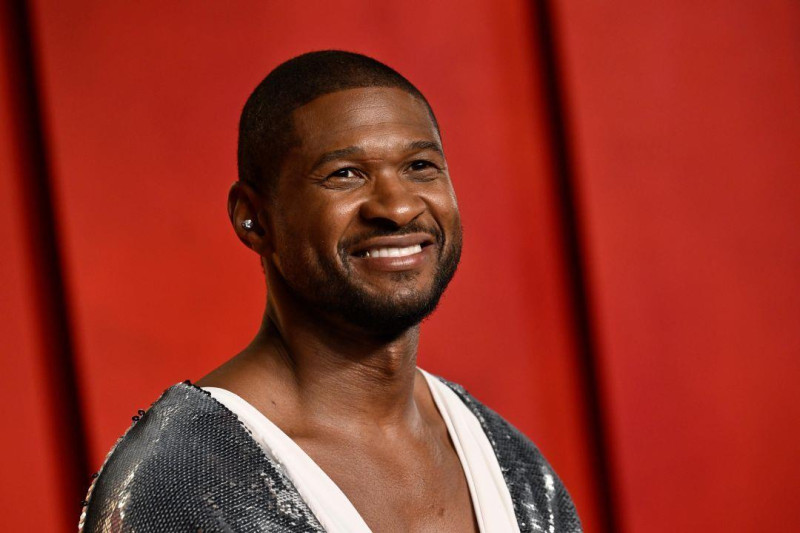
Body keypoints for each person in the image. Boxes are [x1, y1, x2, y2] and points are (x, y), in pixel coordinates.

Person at [79, 50, 582, 533]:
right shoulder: (181, 484)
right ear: (252, 218)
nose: (398, 207)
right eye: (345, 174)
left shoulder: (508, 464)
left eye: (420, 166)